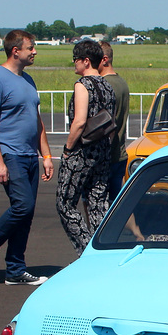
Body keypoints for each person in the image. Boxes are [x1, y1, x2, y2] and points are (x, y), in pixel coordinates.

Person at [0, 30, 54, 287]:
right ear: (15, 50)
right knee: (22, 206)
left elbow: (37, 120)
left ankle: (16, 269)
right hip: (10, 154)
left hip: (30, 155)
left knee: (26, 213)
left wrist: (47, 155)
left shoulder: (28, 80)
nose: (35, 52)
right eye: (31, 47)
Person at [56, 40, 116, 255]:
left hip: (82, 151)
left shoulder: (83, 85)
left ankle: (86, 250)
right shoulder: (108, 86)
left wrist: (68, 149)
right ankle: (105, 249)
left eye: (76, 60)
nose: (74, 64)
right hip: (103, 150)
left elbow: (80, 121)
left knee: (65, 203)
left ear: (86, 61)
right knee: (98, 202)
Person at [98, 41, 131, 202]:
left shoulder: (105, 85)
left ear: (104, 59)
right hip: (120, 154)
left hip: (106, 157)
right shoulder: (122, 83)